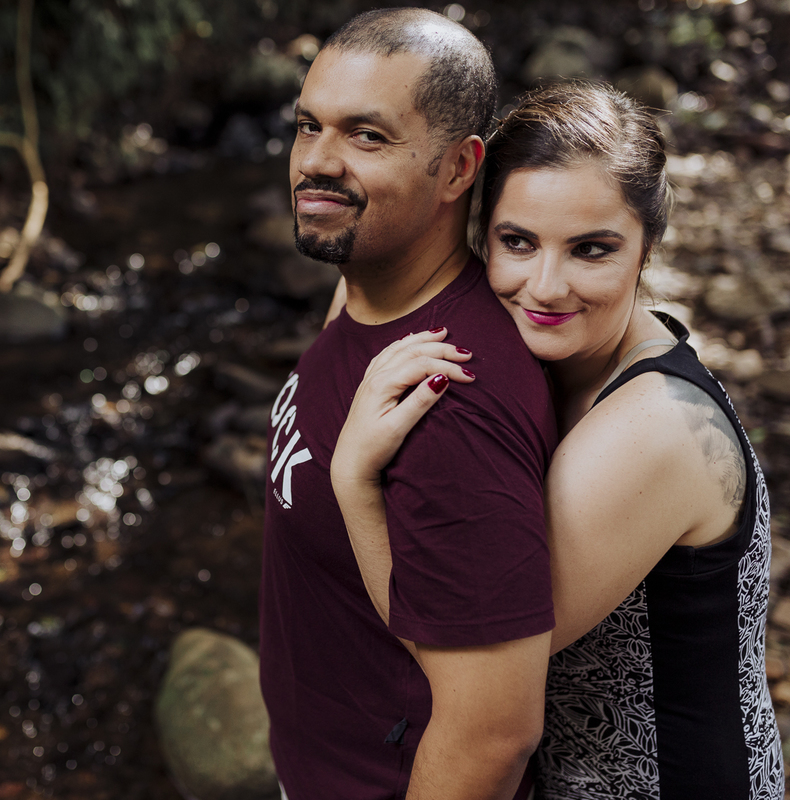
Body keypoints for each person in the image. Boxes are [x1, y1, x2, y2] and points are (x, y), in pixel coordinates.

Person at [329, 81, 785, 798]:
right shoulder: (563, 356)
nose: (545, 287)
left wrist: (353, 482)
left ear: (647, 249)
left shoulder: (653, 429)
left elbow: (464, 656)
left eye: (591, 250)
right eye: (517, 242)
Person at [258, 8, 558, 799]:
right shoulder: (369, 291)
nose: (317, 163)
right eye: (307, 126)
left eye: (367, 137)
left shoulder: (451, 396)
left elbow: (493, 735)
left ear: (459, 171)